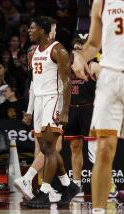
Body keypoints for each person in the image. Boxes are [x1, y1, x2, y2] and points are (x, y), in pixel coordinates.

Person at [21, 16, 79, 208]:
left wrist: (64, 110)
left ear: (44, 30)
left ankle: (44, 192)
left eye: (33, 28)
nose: (29, 31)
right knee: (48, 149)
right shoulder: (33, 51)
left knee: (48, 147)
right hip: (38, 101)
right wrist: (29, 110)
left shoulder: (58, 50)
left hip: (53, 100)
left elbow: (67, 83)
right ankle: (68, 185)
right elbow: (33, 84)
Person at [72, 0, 124, 213]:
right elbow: (93, 44)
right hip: (109, 77)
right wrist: (80, 57)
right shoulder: (100, 3)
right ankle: (99, 211)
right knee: (103, 150)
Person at [14, 18, 64, 203]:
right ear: (48, 30)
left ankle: (45, 186)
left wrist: (29, 111)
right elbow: (38, 84)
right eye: (55, 28)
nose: (56, 31)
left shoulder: (33, 51)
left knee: (43, 148)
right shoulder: (55, 49)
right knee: (53, 147)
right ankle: (36, 183)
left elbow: (33, 86)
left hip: (39, 103)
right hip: (50, 99)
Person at [64, 38, 97, 195]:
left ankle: (105, 184)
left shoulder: (92, 65)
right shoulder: (67, 67)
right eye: (75, 48)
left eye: (80, 48)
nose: (77, 50)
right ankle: (77, 185)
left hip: (89, 109)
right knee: (74, 147)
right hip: (72, 109)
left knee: (94, 150)